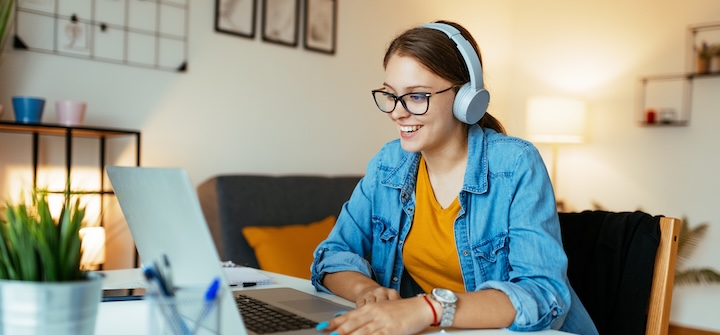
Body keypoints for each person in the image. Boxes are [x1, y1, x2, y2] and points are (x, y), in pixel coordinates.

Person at [310, 20, 598, 335]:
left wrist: (428, 309)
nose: (397, 112)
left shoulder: (514, 164)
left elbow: (544, 295)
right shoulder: (388, 164)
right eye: (391, 95)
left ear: (465, 98)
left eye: (417, 96)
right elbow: (332, 254)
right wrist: (367, 291)